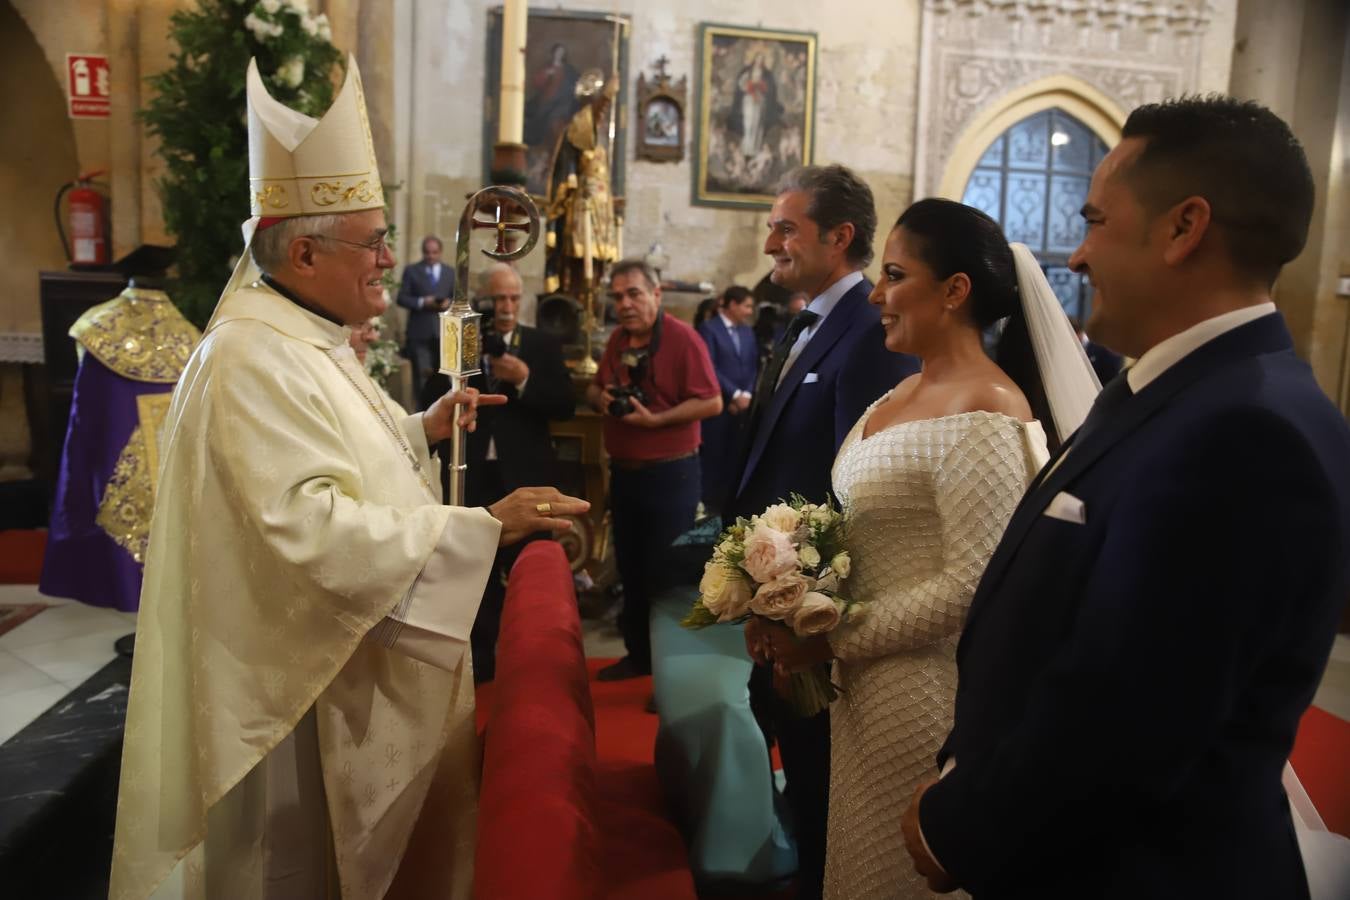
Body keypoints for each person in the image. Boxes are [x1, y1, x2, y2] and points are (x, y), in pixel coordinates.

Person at [109, 57, 589, 900]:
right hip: (295, 714)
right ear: (302, 250)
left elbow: (327, 457)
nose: (389, 259)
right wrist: (482, 526)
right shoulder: (250, 355)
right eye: (372, 241)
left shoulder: (301, 333)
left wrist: (417, 428)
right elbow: (299, 526)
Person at [905, 96, 1350, 898]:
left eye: (1096, 221)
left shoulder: (1247, 431)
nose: (1075, 257)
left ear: (1184, 228)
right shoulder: (1179, 390)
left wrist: (959, 824)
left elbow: (1130, 712)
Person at [763, 198, 1098, 898]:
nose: (877, 295)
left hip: (924, 696)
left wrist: (831, 639)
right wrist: (785, 595)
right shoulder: (904, 392)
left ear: (955, 291)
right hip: (862, 691)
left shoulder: (988, 413)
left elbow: (974, 585)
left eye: (893, 275)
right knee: (857, 863)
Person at [730, 164, 919, 899]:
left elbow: (860, 490)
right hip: (774, 595)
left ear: (840, 237)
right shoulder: (803, 319)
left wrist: (810, 613)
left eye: (787, 226)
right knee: (793, 756)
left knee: (819, 767)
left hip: (815, 609)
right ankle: (809, 868)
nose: (771, 239)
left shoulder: (870, 332)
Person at [422, 262, 574, 681]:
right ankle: (481, 661)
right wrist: (457, 389)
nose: (506, 307)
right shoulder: (458, 343)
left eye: (513, 298)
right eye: (498, 299)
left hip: (527, 473)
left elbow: (564, 404)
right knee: (477, 572)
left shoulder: (541, 344)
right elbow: (428, 400)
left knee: (534, 571)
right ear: (484, 301)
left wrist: (525, 380)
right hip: (474, 475)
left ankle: (537, 663)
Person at [586, 259, 722, 681]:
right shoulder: (618, 341)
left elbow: (712, 401)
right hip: (626, 474)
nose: (625, 304)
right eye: (618, 296)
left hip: (671, 474)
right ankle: (639, 657)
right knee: (630, 567)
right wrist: (602, 399)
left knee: (669, 574)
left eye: (634, 294)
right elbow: (595, 386)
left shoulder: (684, 339)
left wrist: (657, 421)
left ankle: (672, 674)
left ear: (656, 295)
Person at [40, 285, 199, 613]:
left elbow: (87, 426)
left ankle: (128, 590)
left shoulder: (99, 328)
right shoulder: (187, 334)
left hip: (125, 443)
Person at [697, 285, 759, 514]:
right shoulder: (709, 329)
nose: (749, 311)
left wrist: (747, 394)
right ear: (732, 304)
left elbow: (754, 365)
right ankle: (708, 510)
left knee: (736, 457)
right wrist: (733, 394)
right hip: (717, 406)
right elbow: (709, 367)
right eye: (746, 306)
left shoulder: (747, 331)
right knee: (714, 457)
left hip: (743, 407)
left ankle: (729, 506)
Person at [397, 234, 454, 404]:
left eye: (434, 252)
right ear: (423, 252)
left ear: (440, 252)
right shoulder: (412, 271)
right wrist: (423, 302)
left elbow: (459, 299)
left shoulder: (450, 273)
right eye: (427, 252)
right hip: (419, 334)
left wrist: (448, 303)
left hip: (444, 334)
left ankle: (442, 412)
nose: (431, 256)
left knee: (444, 378)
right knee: (422, 378)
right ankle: (422, 416)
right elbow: (402, 298)